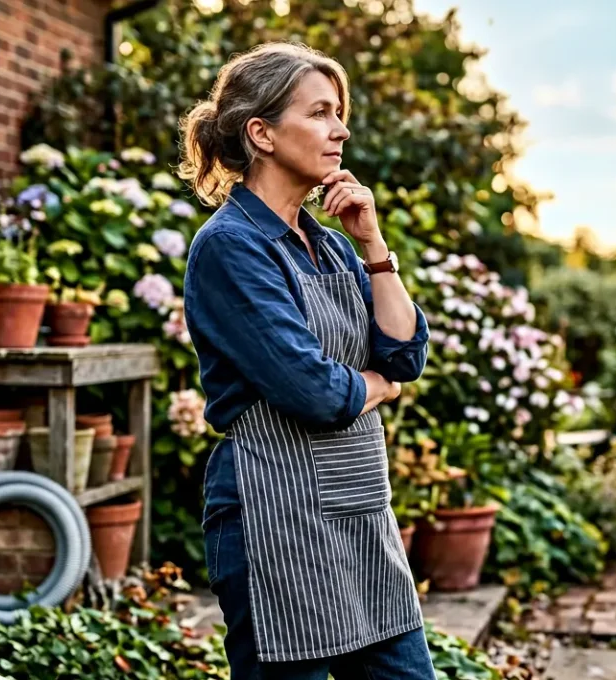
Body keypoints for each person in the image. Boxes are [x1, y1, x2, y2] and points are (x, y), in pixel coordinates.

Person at [180, 42, 437, 679]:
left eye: (339, 113)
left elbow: (404, 355)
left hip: (360, 508)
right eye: (320, 112)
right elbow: (316, 391)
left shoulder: (328, 244)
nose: (341, 129)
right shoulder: (230, 247)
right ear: (261, 133)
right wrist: (373, 386)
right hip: (274, 514)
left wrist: (373, 246)